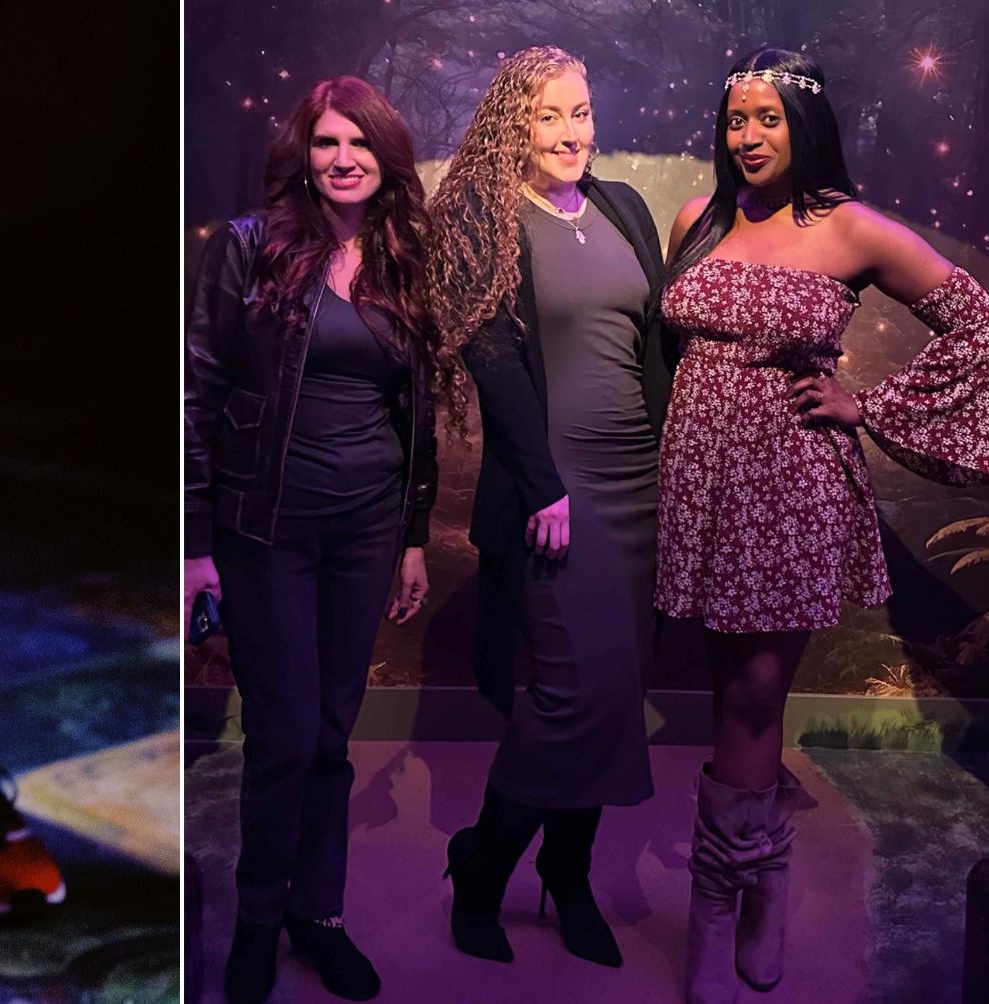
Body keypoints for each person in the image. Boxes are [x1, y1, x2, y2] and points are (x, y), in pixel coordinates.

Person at [658, 46, 989, 1004]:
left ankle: (723, 900)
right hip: (701, 483)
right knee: (727, 685)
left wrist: (868, 406)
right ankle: (760, 873)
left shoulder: (850, 228)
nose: (748, 136)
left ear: (805, 125)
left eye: (768, 118)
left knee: (756, 694)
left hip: (790, 486)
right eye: (736, 119)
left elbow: (977, 321)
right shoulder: (697, 217)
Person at [183, 75, 445, 1004]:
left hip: (367, 529)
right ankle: (259, 920)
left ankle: (318, 915)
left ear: (386, 157)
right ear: (304, 154)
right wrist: (195, 543)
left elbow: (419, 412)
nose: (343, 160)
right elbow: (197, 392)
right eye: (327, 143)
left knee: (333, 734)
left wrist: (412, 536)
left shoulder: (406, 258)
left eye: (359, 144)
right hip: (267, 528)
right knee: (284, 737)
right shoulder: (249, 247)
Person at [421, 45, 672, 971]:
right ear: (511, 126)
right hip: (557, 492)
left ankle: (568, 875)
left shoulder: (623, 206)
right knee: (571, 695)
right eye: (548, 115)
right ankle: (482, 865)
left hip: (639, 483)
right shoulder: (481, 218)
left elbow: (654, 347)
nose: (571, 133)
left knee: (614, 696)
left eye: (581, 112)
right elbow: (491, 362)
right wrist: (545, 485)